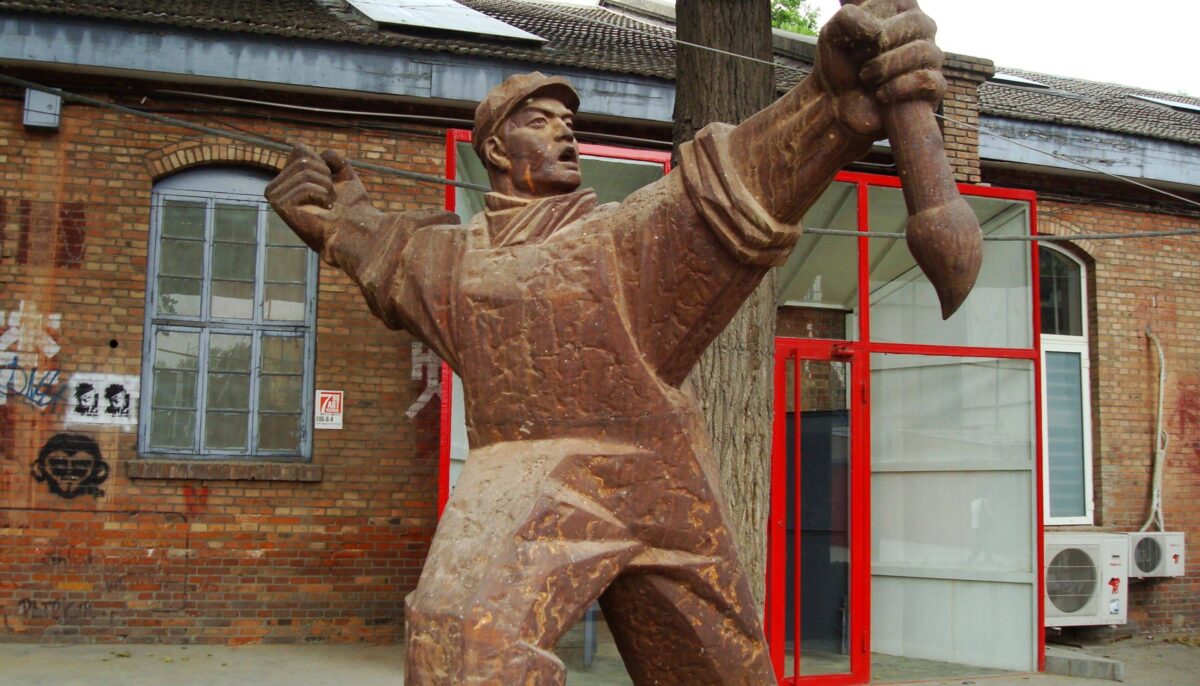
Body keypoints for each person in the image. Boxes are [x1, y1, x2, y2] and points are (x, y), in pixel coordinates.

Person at [267, 1, 947, 682]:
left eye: (570, 126)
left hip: (667, 496)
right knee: (461, 637)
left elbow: (730, 183)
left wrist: (827, 104)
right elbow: (390, 259)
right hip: (534, 480)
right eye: (541, 123)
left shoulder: (615, 240)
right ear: (497, 149)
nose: (566, 136)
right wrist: (338, 221)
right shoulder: (453, 263)